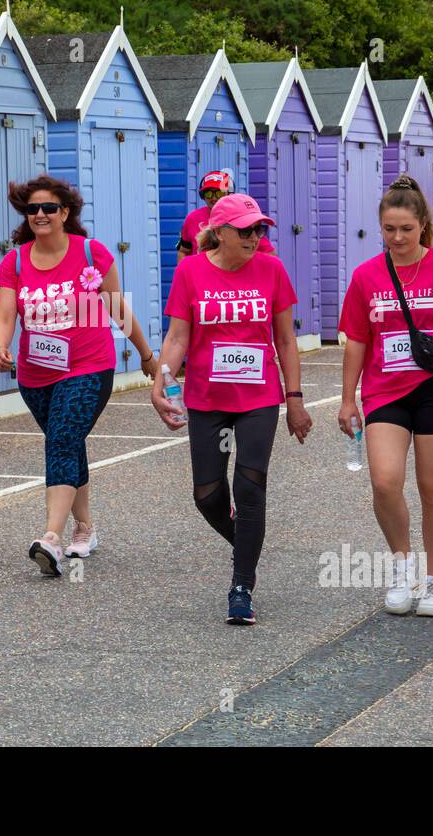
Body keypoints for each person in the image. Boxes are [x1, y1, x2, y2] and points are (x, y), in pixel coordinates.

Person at [152, 193, 313, 625]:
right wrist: (160, 383)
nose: (254, 237)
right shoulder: (190, 271)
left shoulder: (272, 269)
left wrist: (294, 398)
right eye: (245, 230)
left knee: (249, 488)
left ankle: (241, 585)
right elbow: (178, 337)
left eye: (259, 229)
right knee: (206, 495)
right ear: (219, 232)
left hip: (258, 397)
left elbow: (284, 340)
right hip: (207, 397)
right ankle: (247, 543)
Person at [0, 175, 156, 576]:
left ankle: (51, 537)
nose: (41, 215)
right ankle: (84, 528)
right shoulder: (14, 261)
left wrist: (146, 354)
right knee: (67, 441)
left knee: (62, 440)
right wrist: (0, 345)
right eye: (33, 209)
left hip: (88, 366)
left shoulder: (90, 253)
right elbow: (6, 314)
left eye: (49, 207)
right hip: (35, 373)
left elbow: (118, 308)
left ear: (65, 212)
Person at [337, 175, 433, 618]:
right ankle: (402, 566)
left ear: (423, 226)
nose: (397, 238)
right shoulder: (365, 277)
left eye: (406, 229)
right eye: (389, 229)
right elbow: (357, 340)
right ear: (380, 228)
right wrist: (347, 399)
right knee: (384, 480)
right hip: (384, 392)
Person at [177, 171, 275, 260]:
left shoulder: (242, 219)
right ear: (203, 196)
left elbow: (270, 253)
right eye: (209, 193)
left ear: (229, 194)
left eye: (219, 193)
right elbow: (184, 251)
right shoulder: (192, 218)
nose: (214, 198)